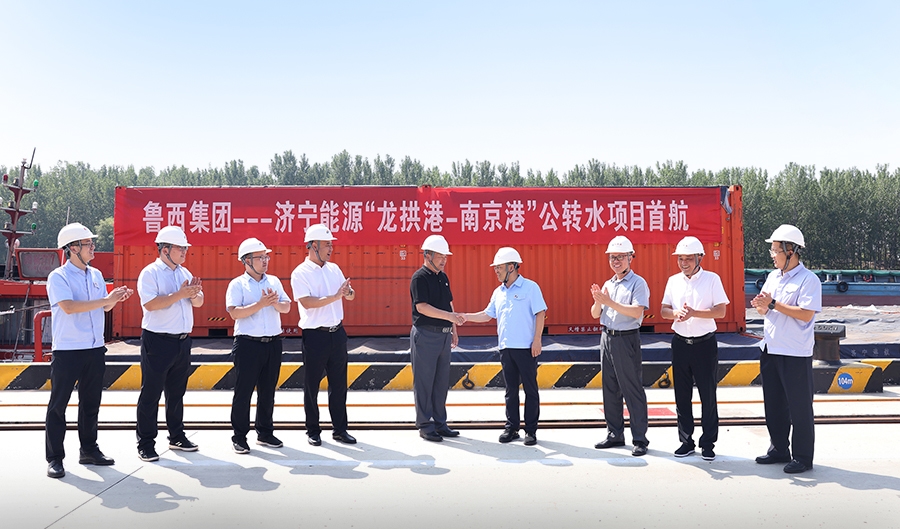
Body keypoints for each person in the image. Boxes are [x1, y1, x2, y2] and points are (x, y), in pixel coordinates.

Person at [45, 223, 133, 478]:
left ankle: (89, 450)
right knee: (58, 405)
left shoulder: (95, 275)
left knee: (91, 403)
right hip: (68, 350)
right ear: (73, 248)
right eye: (88, 244)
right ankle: (55, 458)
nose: (93, 247)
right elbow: (69, 307)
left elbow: (103, 307)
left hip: (94, 348)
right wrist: (106, 300)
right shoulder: (58, 277)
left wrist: (114, 298)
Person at [750, 224, 821, 474]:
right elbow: (765, 309)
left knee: (799, 407)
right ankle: (779, 449)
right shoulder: (773, 277)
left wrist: (773, 304)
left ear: (790, 251)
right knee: (774, 405)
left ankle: (803, 457)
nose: (772, 255)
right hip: (771, 348)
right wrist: (762, 305)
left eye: (775, 250)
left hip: (795, 352)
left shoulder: (809, 280)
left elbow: (806, 314)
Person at [463, 247, 547, 446]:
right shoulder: (498, 292)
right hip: (506, 348)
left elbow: (540, 313)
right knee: (510, 391)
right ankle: (512, 428)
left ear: (511, 267)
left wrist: (537, 340)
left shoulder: (530, 287)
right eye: (495, 268)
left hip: (526, 348)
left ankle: (531, 431)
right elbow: (487, 315)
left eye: (499, 267)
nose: (496, 271)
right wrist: (465, 317)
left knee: (530, 390)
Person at [135, 225, 204, 462]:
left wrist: (194, 294)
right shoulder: (150, 273)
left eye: (185, 248)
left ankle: (177, 436)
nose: (185, 251)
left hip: (182, 341)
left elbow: (199, 302)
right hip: (158, 341)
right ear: (165, 250)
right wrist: (181, 294)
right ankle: (146, 443)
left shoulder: (184, 273)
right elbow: (150, 304)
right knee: (151, 393)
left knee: (176, 393)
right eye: (180, 248)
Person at [661, 236, 729, 461]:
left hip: (704, 345)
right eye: (680, 259)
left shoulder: (712, 280)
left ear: (700, 258)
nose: (684, 263)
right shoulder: (673, 281)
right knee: (682, 395)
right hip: (680, 343)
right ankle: (686, 441)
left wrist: (694, 313)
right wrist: (675, 313)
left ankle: (708, 443)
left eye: (689, 259)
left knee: (708, 395)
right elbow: (663, 310)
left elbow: (720, 311)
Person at [291, 223, 357, 446]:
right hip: (315, 336)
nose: (331, 248)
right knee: (312, 386)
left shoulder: (334, 269)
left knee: (339, 386)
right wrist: (336, 296)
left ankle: (340, 429)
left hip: (337, 334)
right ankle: (313, 430)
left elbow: (349, 295)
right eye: (327, 245)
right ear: (313, 246)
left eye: (331, 244)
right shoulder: (300, 273)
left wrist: (348, 292)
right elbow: (307, 302)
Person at [226, 238, 291, 454]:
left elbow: (286, 307)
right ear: (246, 261)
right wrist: (260, 304)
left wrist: (275, 303)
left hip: (272, 343)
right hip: (248, 344)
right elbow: (234, 313)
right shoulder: (237, 284)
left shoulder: (274, 281)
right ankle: (239, 436)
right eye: (260, 257)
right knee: (243, 392)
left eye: (266, 257)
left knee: (268, 391)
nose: (265, 261)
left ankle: (265, 432)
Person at [590, 235, 651, 456]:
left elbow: (636, 311)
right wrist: (598, 300)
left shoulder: (638, 283)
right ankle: (614, 434)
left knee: (632, 388)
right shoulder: (608, 284)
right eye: (612, 257)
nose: (616, 261)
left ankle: (640, 439)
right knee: (610, 388)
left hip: (626, 338)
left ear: (630, 258)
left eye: (620, 257)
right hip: (607, 337)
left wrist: (609, 302)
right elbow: (595, 314)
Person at [410, 234, 466, 442]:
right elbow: (422, 307)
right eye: (440, 256)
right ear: (427, 255)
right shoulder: (419, 278)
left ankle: (440, 423)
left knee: (441, 382)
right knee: (424, 382)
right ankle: (425, 425)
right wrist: (449, 318)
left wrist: (453, 328)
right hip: (426, 335)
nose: (444, 260)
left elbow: (449, 303)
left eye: (445, 257)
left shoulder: (443, 277)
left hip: (443, 335)